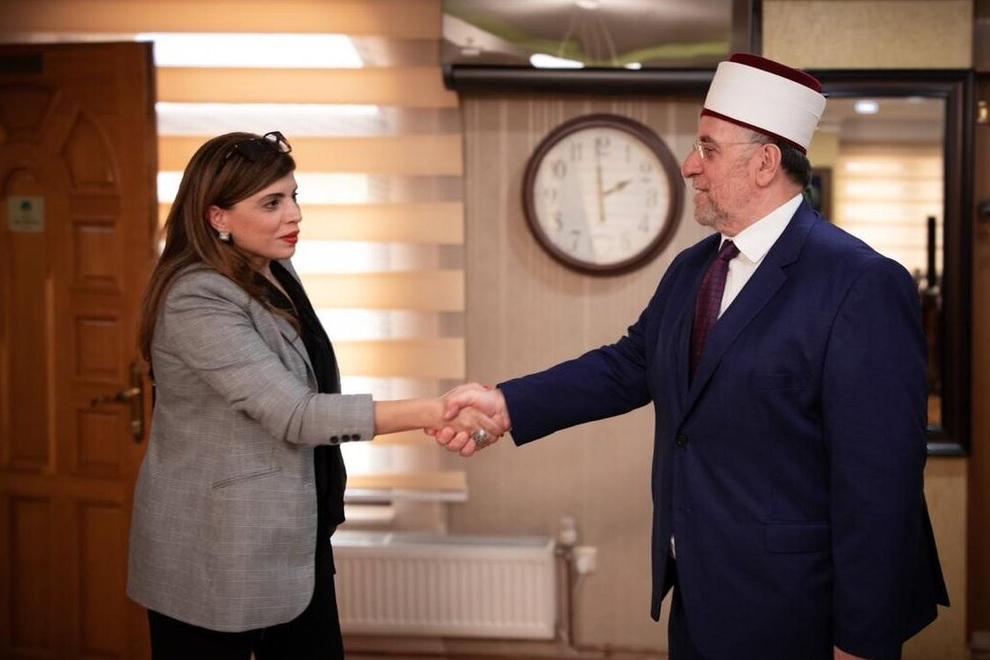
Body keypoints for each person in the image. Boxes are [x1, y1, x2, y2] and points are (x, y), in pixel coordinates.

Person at [436, 54, 949, 659]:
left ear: (765, 162)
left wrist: (862, 641)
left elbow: (881, 482)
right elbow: (629, 365)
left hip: (800, 607)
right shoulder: (694, 268)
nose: (689, 165)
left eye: (708, 148)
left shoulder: (860, 282)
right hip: (700, 595)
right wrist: (506, 403)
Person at [127, 131, 499, 660]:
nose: (295, 214)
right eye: (272, 203)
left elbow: (311, 378)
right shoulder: (196, 298)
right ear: (217, 217)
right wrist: (435, 410)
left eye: (293, 196)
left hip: (293, 529)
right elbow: (296, 413)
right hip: (217, 545)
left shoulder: (273, 269)